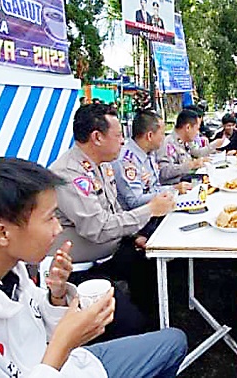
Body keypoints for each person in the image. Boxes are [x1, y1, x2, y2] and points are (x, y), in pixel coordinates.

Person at [0, 157, 187, 378]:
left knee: (173, 341)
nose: (59, 229)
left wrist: (56, 297)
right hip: (56, 365)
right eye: (49, 219)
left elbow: (34, 327)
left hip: (69, 366)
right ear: (2, 234)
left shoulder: (6, 268)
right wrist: (61, 347)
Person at [49, 104, 175, 317]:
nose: (123, 141)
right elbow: (97, 228)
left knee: (157, 269)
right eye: (118, 135)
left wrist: (134, 235)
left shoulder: (103, 164)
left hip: (112, 249)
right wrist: (150, 210)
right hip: (82, 268)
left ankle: (156, 318)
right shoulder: (68, 174)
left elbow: (114, 210)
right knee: (131, 318)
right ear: (97, 137)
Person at [113, 110, 192, 211]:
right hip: (141, 221)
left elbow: (154, 188)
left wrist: (173, 188)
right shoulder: (126, 160)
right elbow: (135, 201)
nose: (164, 138)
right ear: (149, 136)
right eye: (162, 134)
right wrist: (172, 190)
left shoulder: (149, 153)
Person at [157, 109, 207, 185]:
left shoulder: (185, 142)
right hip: (174, 189)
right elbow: (163, 172)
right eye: (197, 129)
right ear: (188, 127)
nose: (197, 133)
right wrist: (190, 165)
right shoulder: (168, 143)